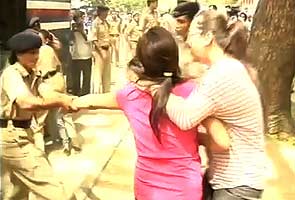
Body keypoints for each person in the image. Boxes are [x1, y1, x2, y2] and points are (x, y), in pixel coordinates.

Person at [73, 27, 229, 199]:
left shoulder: (129, 95)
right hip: (185, 187)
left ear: (142, 61)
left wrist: (65, 100)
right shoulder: (193, 92)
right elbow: (221, 142)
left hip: (147, 187)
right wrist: (194, 139)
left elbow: (88, 101)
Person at [165, 10, 266, 200]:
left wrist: (155, 89)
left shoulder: (222, 74)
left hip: (237, 183)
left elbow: (184, 118)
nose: (187, 41)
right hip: (231, 179)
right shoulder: (227, 68)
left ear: (207, 37)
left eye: (192, 35)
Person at [0, 31, 76, 199]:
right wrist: (59, 102)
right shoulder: (12, 74)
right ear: (19, 55)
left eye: (37, 51)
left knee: (17, 192)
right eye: (31, 53)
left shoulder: (33, 74)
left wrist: (70, 100)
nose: (36, 56)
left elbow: (47, 92)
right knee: (53, 190)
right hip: (12, 139)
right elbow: (26, 102)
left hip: (24, 133)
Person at [70, 11, 92, 96]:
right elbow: (70, 40)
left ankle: (86, 93)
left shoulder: (88, 27)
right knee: (76, 76)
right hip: (76, 55)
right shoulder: (72, 27)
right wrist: (73, 31)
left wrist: (81, 31)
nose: (79, 20)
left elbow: (89, 39)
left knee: (87, 76)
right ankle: (76, 91)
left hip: (86, 54)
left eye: (80, 18)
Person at [90, 5, 111, 93]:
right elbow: (94, 39)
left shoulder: (106, 23)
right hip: (99, 51)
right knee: (98, 74)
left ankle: (106, 92)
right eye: (105, 12)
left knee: (107, 74)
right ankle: (96, 93)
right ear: (101, 12)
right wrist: (101, 51)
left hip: (107, 49)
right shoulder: (96, 23)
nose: (106, 14)